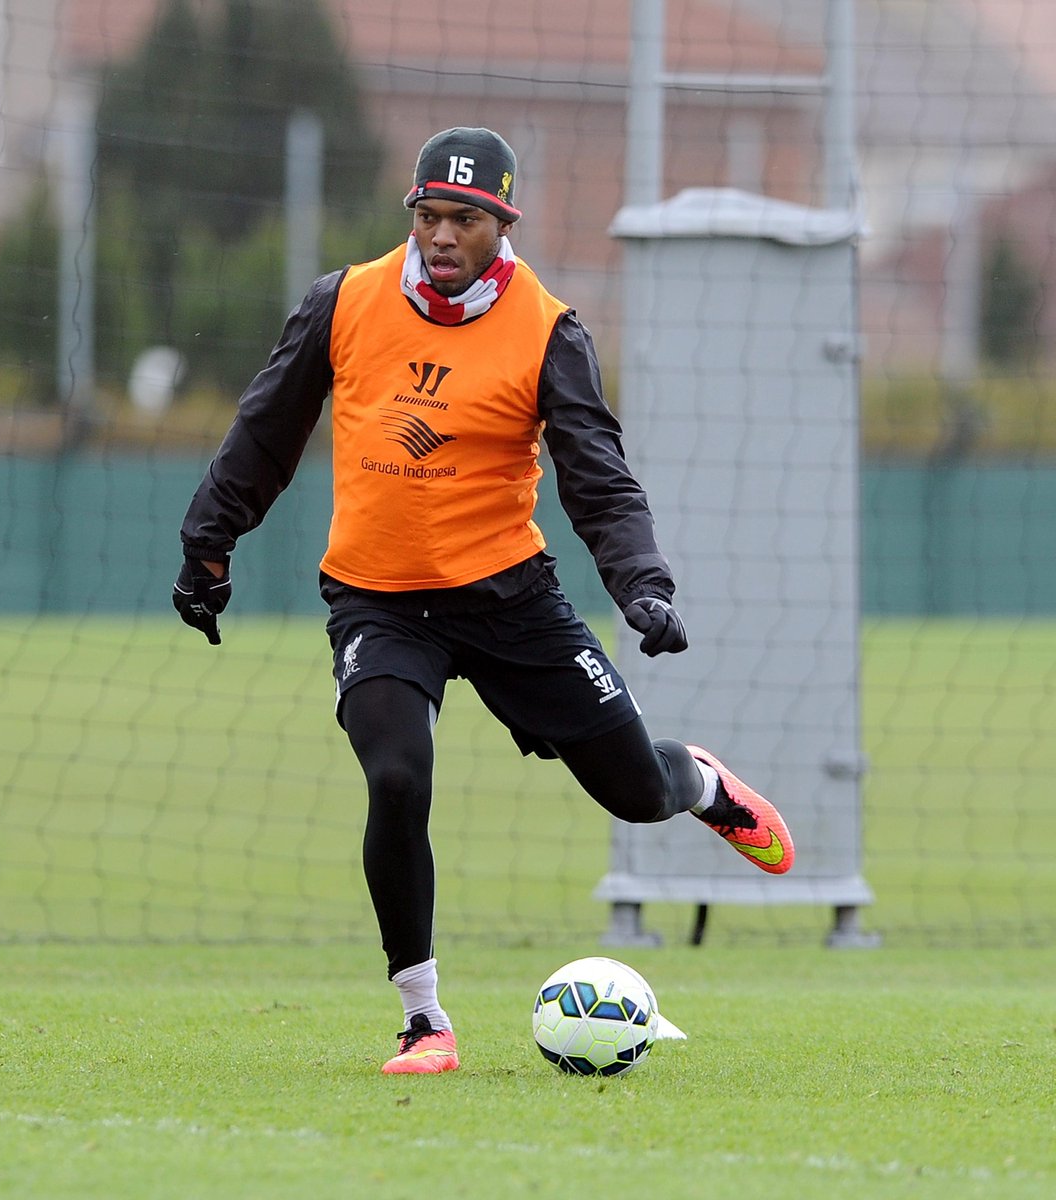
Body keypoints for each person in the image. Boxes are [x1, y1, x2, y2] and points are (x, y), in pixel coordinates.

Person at [173, 127, 794, 1076]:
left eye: (465, 219)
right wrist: (206, 547)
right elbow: (265, 430)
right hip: (377, 601)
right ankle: (424, 1019)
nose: (443, 236)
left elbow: (597, 477)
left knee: (635, 795)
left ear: (501, 223)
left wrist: (644, 586)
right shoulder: (344, 300)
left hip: (510, 600)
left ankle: (702, 784)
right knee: (395, 776)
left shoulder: (549, 328)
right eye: (429, 216)